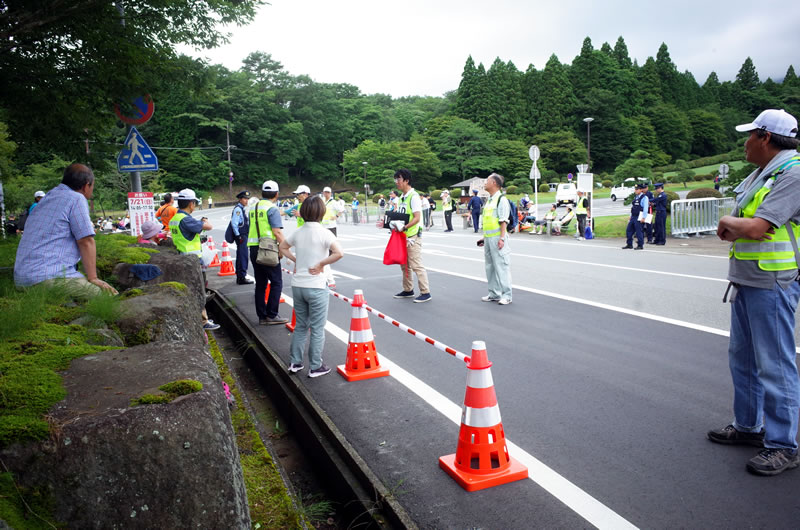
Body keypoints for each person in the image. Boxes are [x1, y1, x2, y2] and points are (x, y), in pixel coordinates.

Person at [709, 108, 800, 476]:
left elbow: (758, 226)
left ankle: (783, 445)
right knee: (743, 358)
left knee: (775, 364)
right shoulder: (764, 172)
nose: (745, 142)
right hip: (748, 279)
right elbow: (746, 226)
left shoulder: (792, 172)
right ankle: (748, 427)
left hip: (773, 282)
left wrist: (732, 223)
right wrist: (738, 225)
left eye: (749, 135)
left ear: (765, 137)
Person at [14, 163, 117, 297]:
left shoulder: (48, 197)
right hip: (48, 277)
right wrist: (93, 278)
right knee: (107, 296)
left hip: (22, 279)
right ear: (87, 185)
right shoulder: (76, 198)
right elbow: (86, 241)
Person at [279, 196, 344, 378]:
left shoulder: (298, 232)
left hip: (298, 285)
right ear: (321, 212)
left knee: (300, 326)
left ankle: (295, 363)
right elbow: (339, 253)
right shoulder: (325, 233)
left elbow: (283, 247)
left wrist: (295, 260)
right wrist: (322, 264)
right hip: (316, 286)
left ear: (305, 212)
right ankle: (315, 366)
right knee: (317, 328)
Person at [169, 188, 219, 331]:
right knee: (197, 290)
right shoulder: (186, 219)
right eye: (195, 203)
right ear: (191, 204)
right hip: (191, 261)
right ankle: (203, 321)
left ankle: (199, 319)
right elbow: (209, 227)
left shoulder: (175, 218)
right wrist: (204, 221)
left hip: (181, 257)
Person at [248, 180, 288, 325]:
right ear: (277, 194)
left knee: (260, 283)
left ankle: (262, 316)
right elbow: (277, 231)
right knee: (276, 281)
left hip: (253, 247)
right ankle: (272, 315)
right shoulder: (272, 209)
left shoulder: (253, 207)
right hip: (268, 248)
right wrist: (284, 247)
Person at [390, 169, 431, 303]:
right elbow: (400, 215)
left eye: (399, 179)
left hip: (413, 235)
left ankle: (425, 292)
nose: (397, 182)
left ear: (406, 181)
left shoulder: (414, 197)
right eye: (395, 180)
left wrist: (404, 227)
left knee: (416, 264)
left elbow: (417, 218)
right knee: (404, 264)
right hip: (403, 235)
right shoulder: (402, 197)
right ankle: (408, 289)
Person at [478, 173, 512, 305]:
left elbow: (504, 221)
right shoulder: (490, 200)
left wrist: (502, 238)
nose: (484, 184)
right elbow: (488, 221)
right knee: (490, 267)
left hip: (498, 238)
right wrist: (484, 237)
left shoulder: (501, 200)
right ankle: (494, 293)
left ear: (494, 184)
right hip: (488, 238)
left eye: (487, 181)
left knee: (501, 266)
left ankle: (507, 295)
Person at [231, 190, 253, 285]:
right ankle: (241, 277)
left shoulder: (242, 209)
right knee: (242, 256)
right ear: (240, 199)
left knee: (242, 255)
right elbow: (234, 223)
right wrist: (238, 235)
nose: (246, 200)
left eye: (247, 199)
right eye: (244, 198)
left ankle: (241, 276)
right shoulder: (238, 210)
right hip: (241, 235)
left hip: (243, 235)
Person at [622, 184, 648, 250]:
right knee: (629, 230)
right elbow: (633, 208)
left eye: (637, 189)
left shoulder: (644, 198)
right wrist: (630, 216)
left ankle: (640, 245)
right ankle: (629, 244)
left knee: (639, 231)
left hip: (639, 216)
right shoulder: (636, 197)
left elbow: (645, 209)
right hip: (633, 216)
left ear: (641, 190)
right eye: (635, 189)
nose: (635, 191)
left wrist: (644, 217)